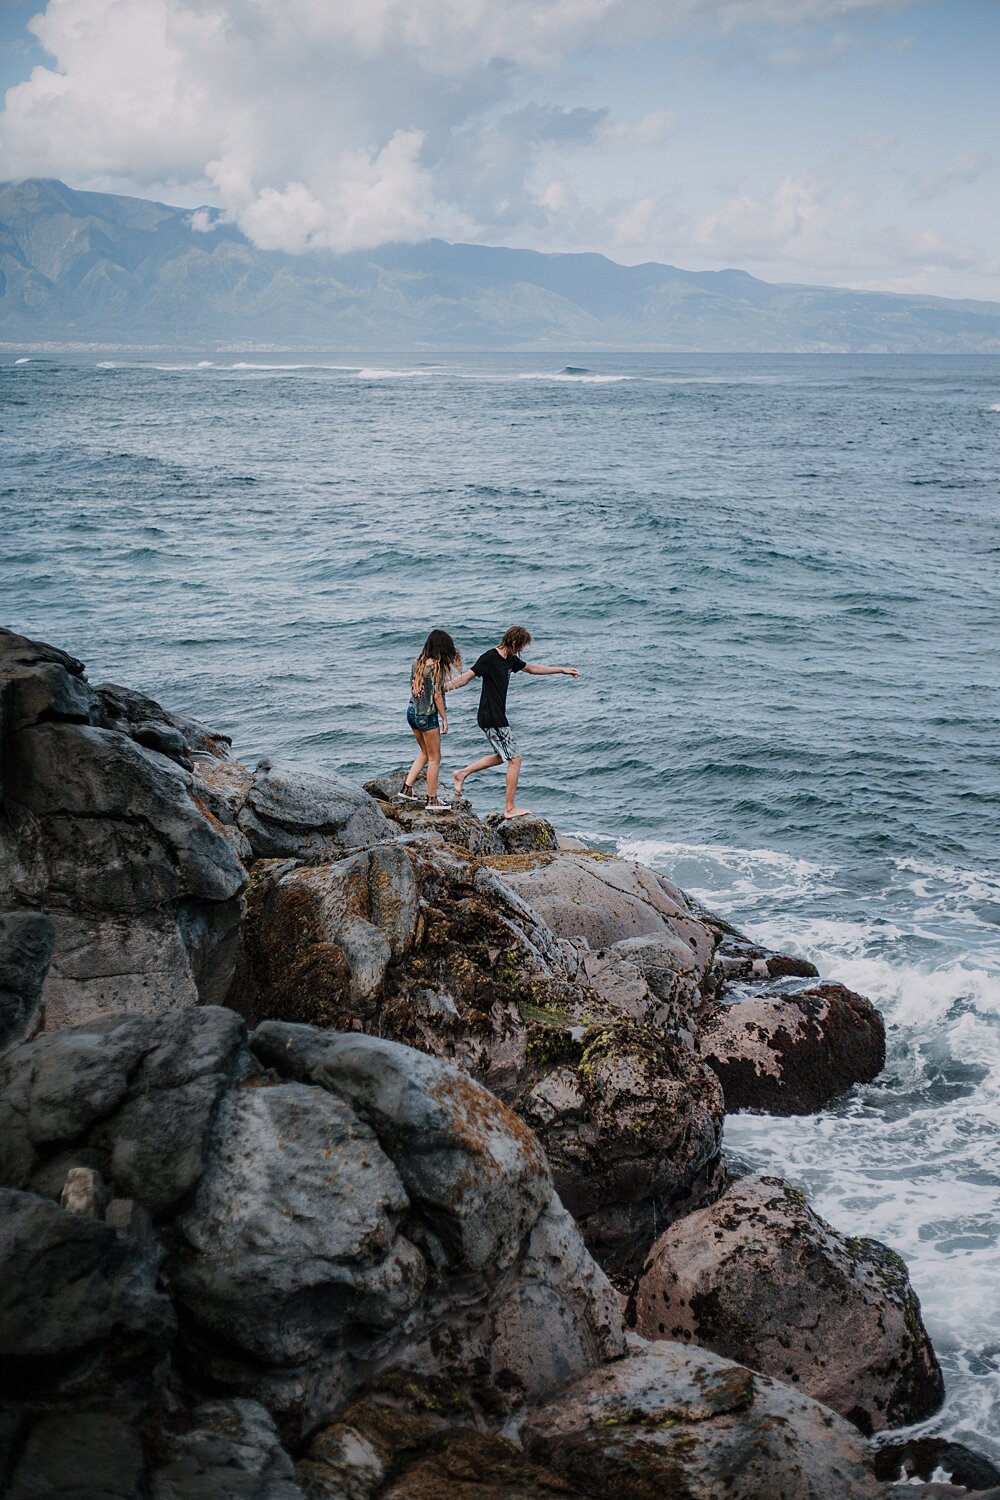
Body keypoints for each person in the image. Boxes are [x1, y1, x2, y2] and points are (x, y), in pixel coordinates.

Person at [447, 625, 579, 819]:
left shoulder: (510, 660)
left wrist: (561, 670)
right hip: (491, 716)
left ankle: (461, 774)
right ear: (514, 642)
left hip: (496, 715)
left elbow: (532, 668)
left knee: (502, 757)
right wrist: (442, 689)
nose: (521, 651)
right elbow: (466, 677)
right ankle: (509, 808)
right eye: (521, 646)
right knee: (515, 760)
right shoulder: (489, 658)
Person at [400, 629, 462, 812]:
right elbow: (436, 696)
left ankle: (407, 788)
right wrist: (444, 719)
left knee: (425, 753)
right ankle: (432, 799)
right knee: (435, 758)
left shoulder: (417, 663)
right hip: (427, 717)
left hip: (412, 712)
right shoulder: (436, 667)